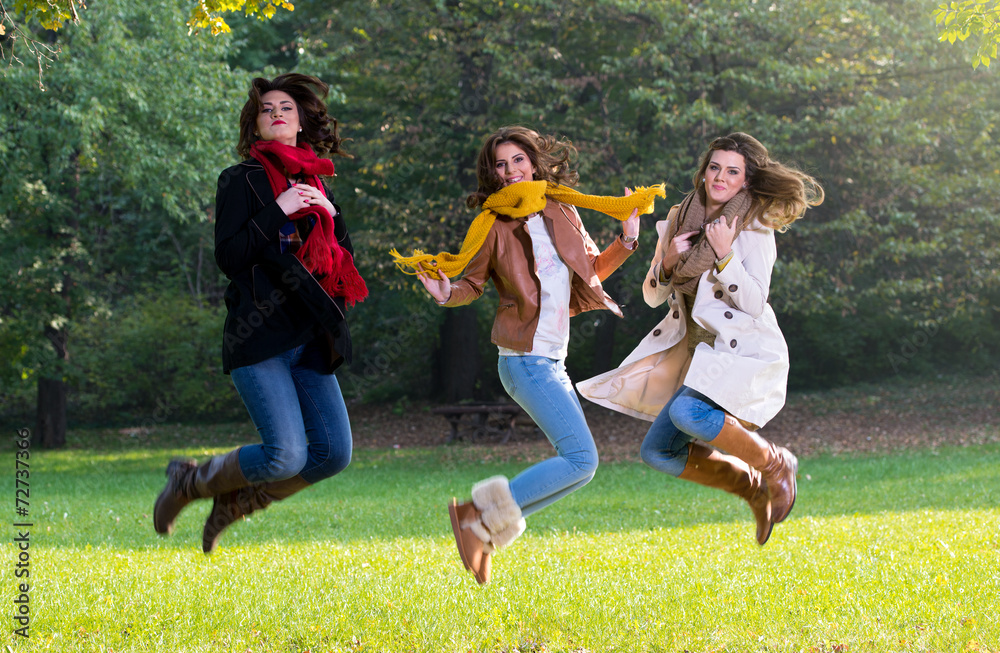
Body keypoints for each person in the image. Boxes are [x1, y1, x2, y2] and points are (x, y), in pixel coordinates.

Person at [391, 125, 665, 584]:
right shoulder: (492, 225)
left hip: (551, 360)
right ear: (493, 175)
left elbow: (590, 272)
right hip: (523, 360)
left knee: (580, 470)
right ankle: (476, 516)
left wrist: (629, 239)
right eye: (501, 165)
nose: (511, 170)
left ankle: (483, 528)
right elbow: (471, 284)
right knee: (582, 459)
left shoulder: (562, 210)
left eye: (518, 160)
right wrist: (445, 292)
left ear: (533, 163)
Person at [153, 73, 367, 553]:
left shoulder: (319, 184)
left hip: (310, 339)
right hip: (259, 336)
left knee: (332, 454)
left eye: (285, 108)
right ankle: (189, 481)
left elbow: (341, 265)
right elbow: (230, 256)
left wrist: (328, 217)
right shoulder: (240, 180)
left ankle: (233, 505)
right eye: (266, 108)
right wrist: (280, 207)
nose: (276, 113)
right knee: (285, 455)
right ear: (255, 124)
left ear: (301, 122)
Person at [578, 132, 823, 546]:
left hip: (740, 350)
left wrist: (725, 256)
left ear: (746, 181)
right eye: (714, 167)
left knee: (690, 415)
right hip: (697, 354)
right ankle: (752, 488)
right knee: (658, 452)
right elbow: (653, 294)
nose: (720, 177)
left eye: (732, 171)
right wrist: (669, 261)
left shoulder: (754, 226)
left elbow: (754, 301)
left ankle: (776, 464)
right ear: (704, 171)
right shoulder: (678, 217)